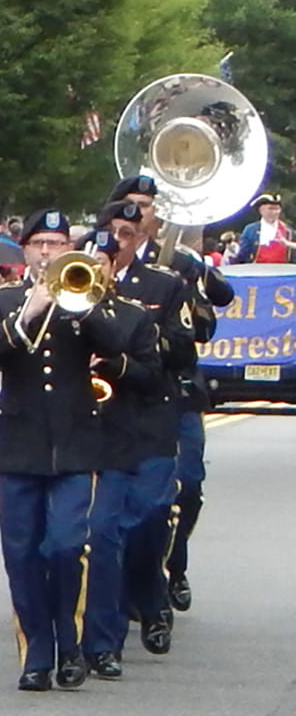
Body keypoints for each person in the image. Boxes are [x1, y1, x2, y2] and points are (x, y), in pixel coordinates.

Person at [0, 208, 158, 692]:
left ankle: (70, 643)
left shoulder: (87, 298)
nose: (48, 252)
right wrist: (30, 308)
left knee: (67, 546)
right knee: (22, 554)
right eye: (40, 245)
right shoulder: (5, 299)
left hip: (76, 443)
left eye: (56, 244)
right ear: (26, 250)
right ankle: (36, 651)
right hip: (19, 444)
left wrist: (83, 302)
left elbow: (118, 341)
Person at [78, 199, 193, 680]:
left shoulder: (163, 285)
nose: (120, 241)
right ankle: (105, 631)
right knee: (105, 533)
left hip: (148, 420)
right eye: (113, 233)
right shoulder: (73, 286)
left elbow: (182, 349)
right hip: (96, 428)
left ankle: (151, 597)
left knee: (147, 521)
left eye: (128, 233)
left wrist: (126, 354)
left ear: (139, 237)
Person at [111, 176, 235, 615]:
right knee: (119, 500)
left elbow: (206, 322)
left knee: (187, 487)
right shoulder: (94, 258)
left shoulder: (179, 263)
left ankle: (172, 564)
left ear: (159, 214)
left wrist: (197, 275)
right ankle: (124, 587)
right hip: (111, 397)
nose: (139, 213)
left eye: (146, 205)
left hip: (173, 392)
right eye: (131, 204)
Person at [234, 193, 288, 264]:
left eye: (277, 209)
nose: (275, 212)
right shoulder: (250, 230)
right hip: (257, 272)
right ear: (261, 210)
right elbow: (243, 256)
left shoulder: (288, 231)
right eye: (271, 208)